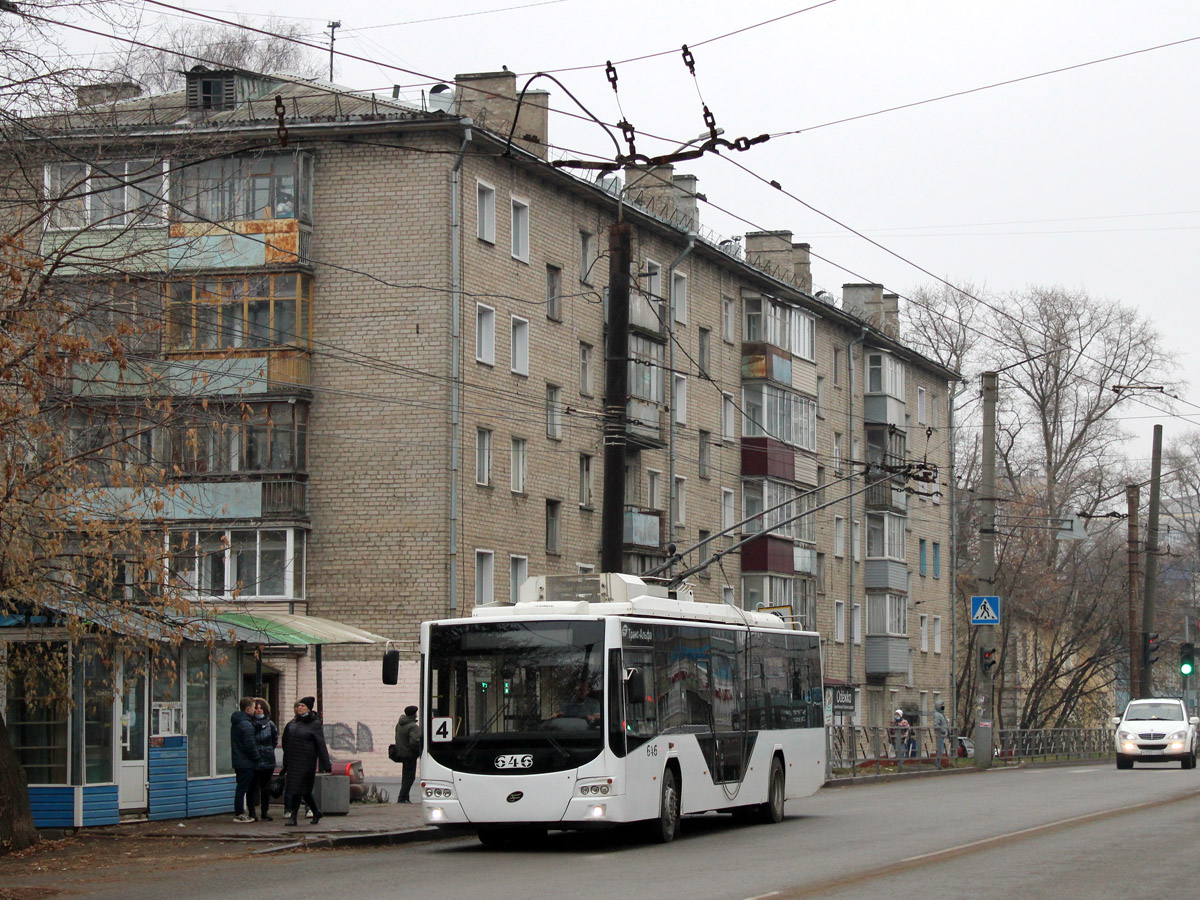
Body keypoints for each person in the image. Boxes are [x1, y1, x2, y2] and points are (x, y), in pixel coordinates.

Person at [281, 696, 331, 826]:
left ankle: (293, 817)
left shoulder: (314, 724)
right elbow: (286, 743)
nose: (299, 708)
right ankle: (316, 811)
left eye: (302, 706)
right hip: (293, 761)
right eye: (298, 706)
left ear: (309, 708)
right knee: (303, 791)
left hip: (306, 762)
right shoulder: (292, 723)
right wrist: (285, 763)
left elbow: (321, 744)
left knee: (298, 789)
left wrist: (326, 763)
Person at [230, 697, 259, 823]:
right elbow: (250, 745)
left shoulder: (236, 723)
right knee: (244, 788)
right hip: (246, 761)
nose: (255, 710)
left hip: (239, 760)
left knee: (242, 787)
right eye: (253, 707)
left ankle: (243, 812)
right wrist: (256, 757)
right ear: (248, 709)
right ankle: (240, 813)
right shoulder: (246, 725)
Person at [251, 697, 279, 821]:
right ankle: (252, 812)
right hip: (254, 759)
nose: (259, 710)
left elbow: (274, 740)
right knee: (253, 787)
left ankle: (265, 811)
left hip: (268, 759)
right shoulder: (250, 724)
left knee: (266, 787)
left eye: (261, 708)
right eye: (256, 708)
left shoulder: (270, 724)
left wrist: (268, 750)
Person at [393, 705, 422, 804]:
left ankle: (405, 797)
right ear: (414, 714)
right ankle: (402, 798)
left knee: (405, 776)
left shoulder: (399, 724)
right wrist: (418, 751)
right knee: (410, 777)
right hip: (410, 754)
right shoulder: (413, 726)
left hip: (402, 753)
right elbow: (415, 742)